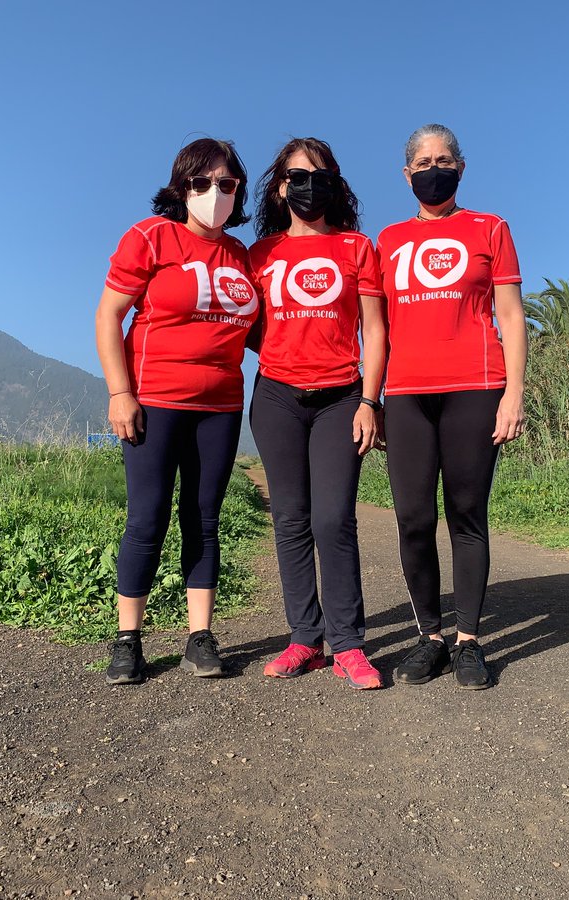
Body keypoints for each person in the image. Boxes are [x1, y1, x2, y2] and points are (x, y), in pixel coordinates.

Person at [95, 138, 259, 685]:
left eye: (226, 184)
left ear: (238, 192)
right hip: (155, 401)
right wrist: (120, 393)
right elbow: (109, 316)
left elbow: (261, 331)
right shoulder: (150, 237)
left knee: (204, 520)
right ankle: (128, 640)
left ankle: (200, 637)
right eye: (201, 182)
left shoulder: (241, 255)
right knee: (147, 519)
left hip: (221, 406)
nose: (215, 192)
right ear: (181, 187)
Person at [376, 123, 528, 690]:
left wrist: (513, 393)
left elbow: (511, 314)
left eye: (444, 160)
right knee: (413, 519)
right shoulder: (387, 240)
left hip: (476, 387)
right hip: (407, 394)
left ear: (460, 168)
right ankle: (430, 638)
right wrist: (372, 399)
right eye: (423, 162)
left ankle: (468, 641)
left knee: (467, 514)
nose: (433, 169)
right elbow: (376, 327)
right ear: (407, 174)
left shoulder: (490, 228)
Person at [248, 137, 387, 690]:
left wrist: (370, 401)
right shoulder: (260, 254)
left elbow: (374, 329)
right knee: (290, 520)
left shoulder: (357, 248)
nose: (308, 186)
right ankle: (305, 638)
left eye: (320, 176)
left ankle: (348, 644)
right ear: (279, 188)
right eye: (297, 176)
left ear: (335, 185)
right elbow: (244, 324)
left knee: (333, 519)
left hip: (341, 398)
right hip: (276, 398)